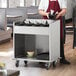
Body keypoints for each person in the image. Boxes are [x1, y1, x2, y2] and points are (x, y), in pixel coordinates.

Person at [38, 0, 70, 64]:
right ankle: (44, 58)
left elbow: (64, 10)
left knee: (59, 38)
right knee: (46, 39)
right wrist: (46, 14)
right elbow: (40, 11)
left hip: (57, 21)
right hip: (46, 22)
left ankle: (62, 58)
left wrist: (59, 14)